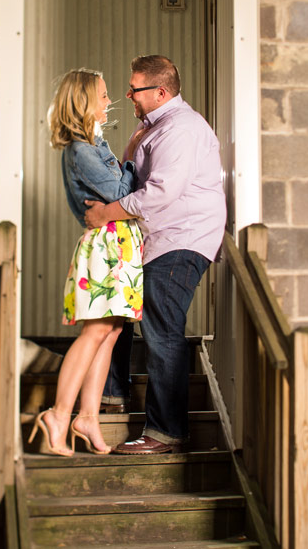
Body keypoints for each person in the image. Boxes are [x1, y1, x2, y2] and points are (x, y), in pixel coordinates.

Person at [84, 55, 226, 454]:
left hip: (181, 238)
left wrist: (105, 215)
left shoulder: (180, 129)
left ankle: (166, 432)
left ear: (160, 92)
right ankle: (112, 394)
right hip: (160, 239)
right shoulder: (155, 127)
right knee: (122, 310)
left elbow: (161, 191)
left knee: (162, 328)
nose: (128, 95)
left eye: (135, 88)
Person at [28, 68, 145, 456]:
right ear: (83, 101)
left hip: (121, 242)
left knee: (110, 332)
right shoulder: (82, 150)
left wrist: (122, 169)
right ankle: (59, 415)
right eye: (103, 94)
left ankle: (88, 417)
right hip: (105, 243)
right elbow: (120, 192)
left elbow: (121, 199)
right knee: (95, 332)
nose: (109, 101)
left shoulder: (97, 145)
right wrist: (129, 165)